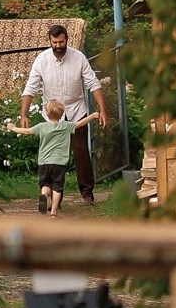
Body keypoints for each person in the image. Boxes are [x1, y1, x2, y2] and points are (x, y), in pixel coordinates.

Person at [20, 25, 109, 205]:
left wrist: (103, 110)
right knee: (52, 156)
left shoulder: (78, 58)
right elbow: (31, 88)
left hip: (77, 111)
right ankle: (53, 198)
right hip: (53, 116)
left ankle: (87, 194)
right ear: (49, 41)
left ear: (67, 39)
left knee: (81, 152)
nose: (58, 45)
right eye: (54, 42)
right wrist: (24, 114)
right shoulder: (41, 60)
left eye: (61, 41)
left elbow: (93, 84)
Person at [6, 99, 99, 215]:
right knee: (57, 187)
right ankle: (54, 212)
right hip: (59, 162)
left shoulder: (42, 126)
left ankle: (44, 195)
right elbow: (81, 123)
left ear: (46, 113)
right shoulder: (66, 126)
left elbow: (26, 131)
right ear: (62, 115)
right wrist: (93, 115)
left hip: (44, 162)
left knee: (45, 184)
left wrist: (12, 128)